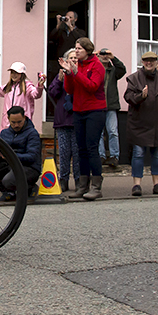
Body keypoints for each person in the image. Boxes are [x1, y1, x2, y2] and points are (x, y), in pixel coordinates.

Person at [124, 50, 158, 197]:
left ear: (156, 62)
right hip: (139, 122)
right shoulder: (134, 78)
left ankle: (157, 184)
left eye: (152, 61)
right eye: (146, 60)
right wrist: (141, 96)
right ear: (142, 62)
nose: (149, 63)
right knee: (138, 154)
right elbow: (128, 96)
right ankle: (136, 185)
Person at [62, 37, 107, 200]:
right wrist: (68, 73)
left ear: (87, 50)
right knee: (81, 149)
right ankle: (82, 186)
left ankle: (96, 186)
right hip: (79, 110)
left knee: (91, 147)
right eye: (75, 48)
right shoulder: (77, 66)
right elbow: (69, 89)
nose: (76, 51)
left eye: (79, 48)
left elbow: (92, 86)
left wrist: (75, 73)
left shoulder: (97, 66)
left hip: (95, 110)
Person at [0, 105, 42, 201]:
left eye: (19, 122)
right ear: (8, 119)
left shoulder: (32, 133)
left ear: (24, 118)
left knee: (8, 180)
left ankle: (30, 188)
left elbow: (32, 157)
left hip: (29, 168)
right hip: (10, 165)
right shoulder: (4, 133)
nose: (16, 125)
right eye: (13, 122)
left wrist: (9, 155)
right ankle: (8, 192)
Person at [47, 48, 78, 192]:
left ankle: (79, 180)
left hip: (77, 119)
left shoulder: (80, 74)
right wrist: (59, 79)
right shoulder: (60, 75)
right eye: (71, 58)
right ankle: (63, 180)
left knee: (77, 152)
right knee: (64, 152)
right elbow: (53, 93)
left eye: (76, 58)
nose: (73, 60)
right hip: (62, 119)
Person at [0, 61, 45, 129]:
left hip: (22, 125)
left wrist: (40, 86)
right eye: (12, 72)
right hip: (7, 125)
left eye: (16, 73)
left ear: (22, 74)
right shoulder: (8, 87)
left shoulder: (27, 87)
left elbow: (36, 94)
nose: (14, 75)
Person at [97, 48, 127, 170]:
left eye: (106, 54)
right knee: (99, 132)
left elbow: (122, 70)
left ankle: (114, 156)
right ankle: (101, 155)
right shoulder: (95, 68)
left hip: (111, 105)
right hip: (98, 105)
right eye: (102, 54)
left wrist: (113, 58)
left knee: (113, 131)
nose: (104, 56)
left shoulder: (114, 70)